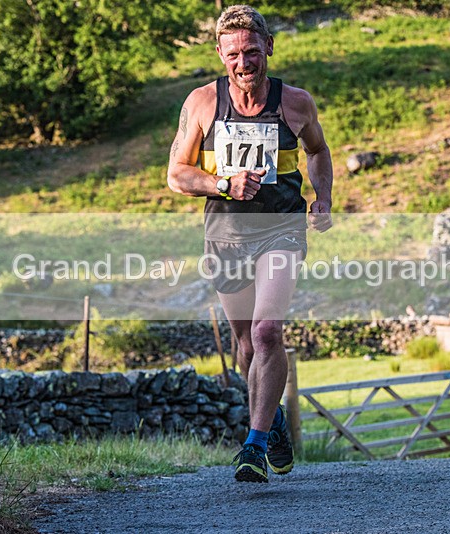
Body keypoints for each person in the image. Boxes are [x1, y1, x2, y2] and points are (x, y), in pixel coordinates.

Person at [167, 5, 333, 483]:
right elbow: (177, 174)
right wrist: (223, 183)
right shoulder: (201, 103)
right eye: (234, 53)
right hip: (225, 233)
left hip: (280, 228)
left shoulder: (296, 103)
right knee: (245, 345)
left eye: (253, 52)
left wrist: (322, 197)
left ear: (269, 49)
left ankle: (254, 446)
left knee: (266, 334)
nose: (244, 63)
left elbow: (318, 151)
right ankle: (274, 420)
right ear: (220, 54)